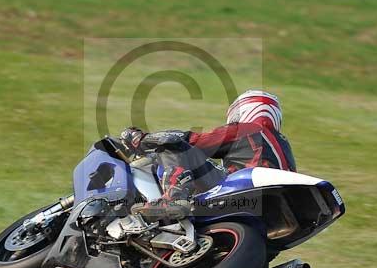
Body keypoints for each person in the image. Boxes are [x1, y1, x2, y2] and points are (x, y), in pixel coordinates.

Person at [120, 90, 296, 222]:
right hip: (274, 210)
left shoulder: (248, 129)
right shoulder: (284, 146)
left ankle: (173, 197)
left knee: (170, 142)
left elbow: (192, 141)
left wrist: (141, 139)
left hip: (242, 190)